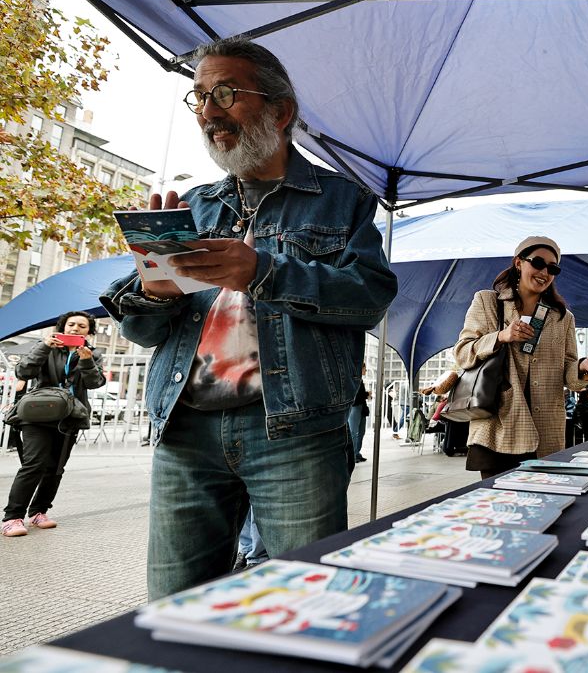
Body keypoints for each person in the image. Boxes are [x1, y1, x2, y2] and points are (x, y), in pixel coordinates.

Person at [100, 37, 398, 598]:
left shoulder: (343, 200)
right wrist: (156, 292)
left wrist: (263, 270)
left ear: (280, 111)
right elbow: (139, 328)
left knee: (305, 603)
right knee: (173, 608)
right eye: (200, 98)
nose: (208, 112)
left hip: (295, 430)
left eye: (226, 93)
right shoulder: (198, 204)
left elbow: (370, 297)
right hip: (184, 432)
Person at [453, 236, 588, 479]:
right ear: (518, 263)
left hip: (545, 432)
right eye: (537, 262)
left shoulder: (563, 317)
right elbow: (463, 353)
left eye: (553, 267)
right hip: (498, 429)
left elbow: (569, 374)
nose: (544, 272)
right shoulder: (487, 302)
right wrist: (501, 336)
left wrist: (584, 367)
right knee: (498, 510)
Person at [2, 312, 106, 537]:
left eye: (81, 325)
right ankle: (12, 517)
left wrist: (87, 360)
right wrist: (44, 347)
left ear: (89, 331)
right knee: (34, 464)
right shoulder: (45, 347)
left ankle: (39, 512)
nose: (75, 328)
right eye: (71, 324)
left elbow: (95, 383)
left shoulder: (93, 354)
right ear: (62, 327)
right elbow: (23, 372)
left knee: (55, 468)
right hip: (37, 414)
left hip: (69, 417)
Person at [347, 363, 370, 468]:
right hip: (355, 407)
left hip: (361, 407)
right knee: (354, 431)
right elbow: (355, 396)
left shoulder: (360, 381)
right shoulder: (354, 380)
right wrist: (366, 394)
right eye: (365, 369)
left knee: (361, 431)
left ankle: (357, 452)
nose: (366, 371)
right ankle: (352, 454)